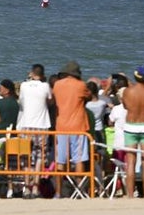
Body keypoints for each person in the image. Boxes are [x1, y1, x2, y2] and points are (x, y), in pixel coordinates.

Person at [52, 62, 91, 194]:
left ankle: (58, 192)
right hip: (78, 126)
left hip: (61, 126)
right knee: (79, 159)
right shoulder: (81, 85)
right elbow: (88, 96)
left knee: (60, 161)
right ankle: (79, 190)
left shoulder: (57, 85)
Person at [17, 63, 52, 198]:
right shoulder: (45, 86)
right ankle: (36, 186)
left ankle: (27, 186)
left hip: (26, 124)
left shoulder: (24, 86)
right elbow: (50, 100)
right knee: (40, 156)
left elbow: (21, 102)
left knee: (26, 156)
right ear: (42, 75)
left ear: (31, 73)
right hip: (42, 125)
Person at [122, 66, 144, 199]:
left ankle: (130, 195)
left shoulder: (127, 91)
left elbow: (125, 106)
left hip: (131, 126)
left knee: (130, 162)